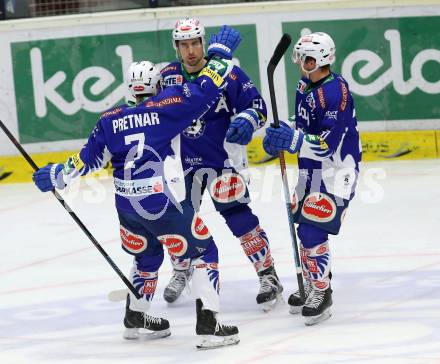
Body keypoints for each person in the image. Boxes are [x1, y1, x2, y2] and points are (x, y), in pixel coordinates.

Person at [32, 57, 241, 349]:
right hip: (166, 203)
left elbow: (86, 159)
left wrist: (56, 174)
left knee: (147, 256)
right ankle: (208, 324)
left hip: (128, 208)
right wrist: (219, 58)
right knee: (204, 250)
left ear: (130, 88)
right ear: (156, 86)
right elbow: (204, 92)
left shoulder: (108, 119)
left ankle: (135, 317)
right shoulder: (166, 107)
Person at [161, 17, 283, 311]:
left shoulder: (229, 72)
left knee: (239, 218)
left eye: (195, 43)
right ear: (176, 47)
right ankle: (182, 270)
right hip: (184, 167)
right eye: (184, 45)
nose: (190, 51)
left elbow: (257, 107)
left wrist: (247, 119)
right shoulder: (166, 76)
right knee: (178, 221)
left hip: (223, 163)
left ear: (203, 42)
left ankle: (268, 276)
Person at [263, 32, 362, 325]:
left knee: (311, 232)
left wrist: (291, 139)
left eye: (306, 58)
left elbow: (327, 144)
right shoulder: (304, 84)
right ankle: (313, 281)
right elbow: (305, 125)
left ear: (323, 59)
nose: (300, 63)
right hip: (309, 169)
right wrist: (281, 136)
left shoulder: (336, 92)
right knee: (303, 224)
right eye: (299, 57)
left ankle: (321, 291)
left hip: (336, 171)